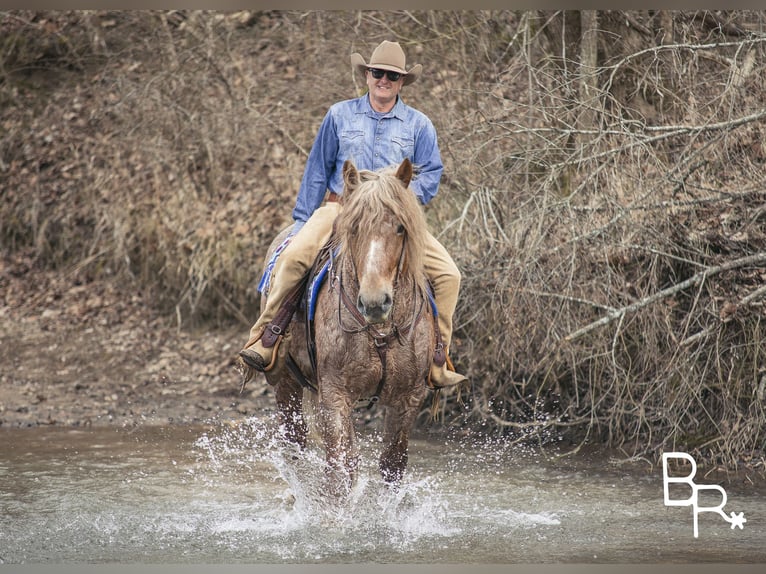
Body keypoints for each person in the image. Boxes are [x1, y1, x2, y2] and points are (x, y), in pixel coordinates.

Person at [239, 40, 466, 388]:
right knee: (295, 257)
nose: (384, 80)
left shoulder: (419, 125)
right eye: (378, 73)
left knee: (449, 275)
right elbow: (318, 167)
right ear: (367, 75)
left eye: (392, 75)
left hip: (392, 219)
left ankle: (438, 358)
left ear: (402, 81)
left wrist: (399, 202)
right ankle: (265, 338)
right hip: (340, 209)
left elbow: (432, 173)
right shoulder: (339, 115)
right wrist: (302, 221)